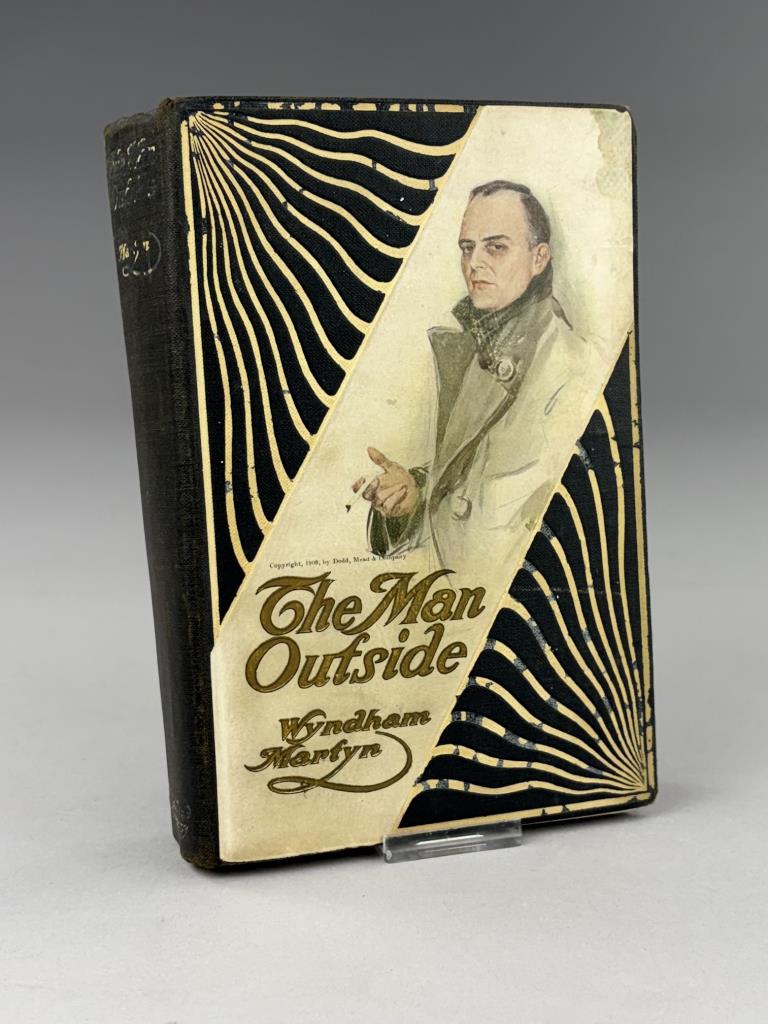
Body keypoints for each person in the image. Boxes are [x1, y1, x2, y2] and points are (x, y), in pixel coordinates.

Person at [353, 180, 590, 578]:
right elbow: (464, 483)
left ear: (539, 258)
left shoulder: (567, 368)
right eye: (467, 248)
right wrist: (413, 495)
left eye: (495, 247)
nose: (474, 262)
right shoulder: (478, 345)